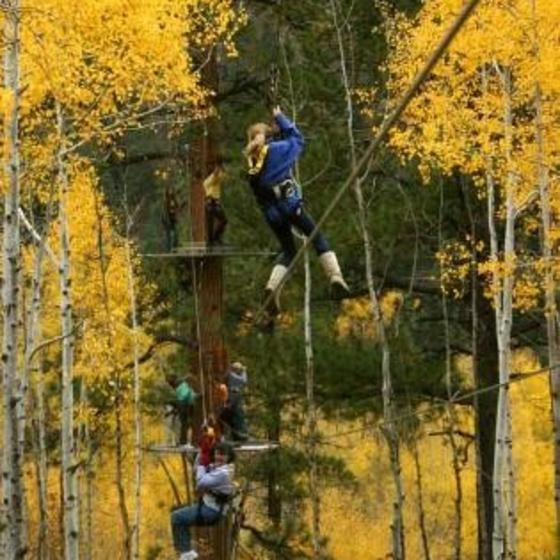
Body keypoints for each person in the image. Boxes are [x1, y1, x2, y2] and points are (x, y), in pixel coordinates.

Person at [244, 106, 349, 315]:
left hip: (272, 214)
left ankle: (272, 287)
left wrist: (275, 131)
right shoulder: (276, 150)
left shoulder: (253, 161)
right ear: (268, 136)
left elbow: (273, 154)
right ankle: (335, 277)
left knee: (289, 251)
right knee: (316, 237)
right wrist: (280, 117)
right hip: (290, 206)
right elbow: (298, 139)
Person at [170, 441, 236, 560]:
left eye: (223, 455)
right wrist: (202, 455)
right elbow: (197, 470)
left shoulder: (224, 473)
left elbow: (201, 482)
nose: (219, 457)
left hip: (211, 512)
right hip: (209, 508)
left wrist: (202, 464)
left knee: (177, 517)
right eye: (217, 454)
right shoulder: (217, 468)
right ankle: (185, 551)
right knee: (177, 515)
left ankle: (186, 552)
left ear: (229, 457)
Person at [221, 361, 248, 442]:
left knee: (234, 420)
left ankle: (235, 437)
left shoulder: (231, 376)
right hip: (232, 402)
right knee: (234, 420)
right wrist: (244, 371)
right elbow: (243, 381)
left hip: (233, 402)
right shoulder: (233, 376)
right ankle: (234, 436)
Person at [203, 156, 228, 245]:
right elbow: (216, 173)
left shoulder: (215, 178)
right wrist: (218, 165)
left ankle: (215, 237)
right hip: (210, 202)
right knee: (210, 224)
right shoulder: (208, 180)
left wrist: (221, 166)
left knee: (223, 220)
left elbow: (223, 176)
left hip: (215, 202)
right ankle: (212, 240)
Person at [167, 375, 197, 445]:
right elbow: (187, 395)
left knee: (185, 423)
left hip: (185, 404)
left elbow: (186, 395)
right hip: (186, 403)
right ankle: (183, 441)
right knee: (185, 423)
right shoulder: (181, 386)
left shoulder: (181, 386)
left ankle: (183, 441)